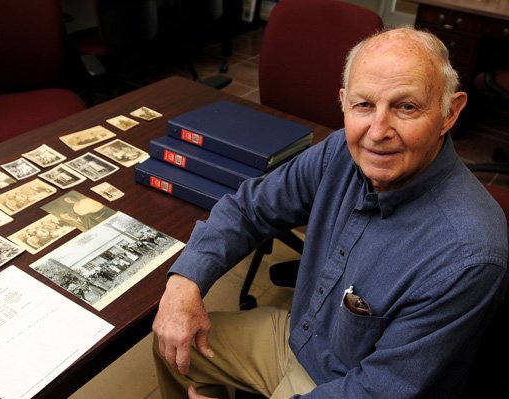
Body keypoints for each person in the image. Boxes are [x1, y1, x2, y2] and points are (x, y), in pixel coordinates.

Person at [152, 27, 508, 399]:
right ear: (343, 102)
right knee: (171, 346)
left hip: (351, 384)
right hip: (303, 339)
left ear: (449, 112)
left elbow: (379, 390)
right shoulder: (340, 150)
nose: (377, 131)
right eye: (363, 105)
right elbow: (248, 207)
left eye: (406, 107)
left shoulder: (467, 254)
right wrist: (184, 284)